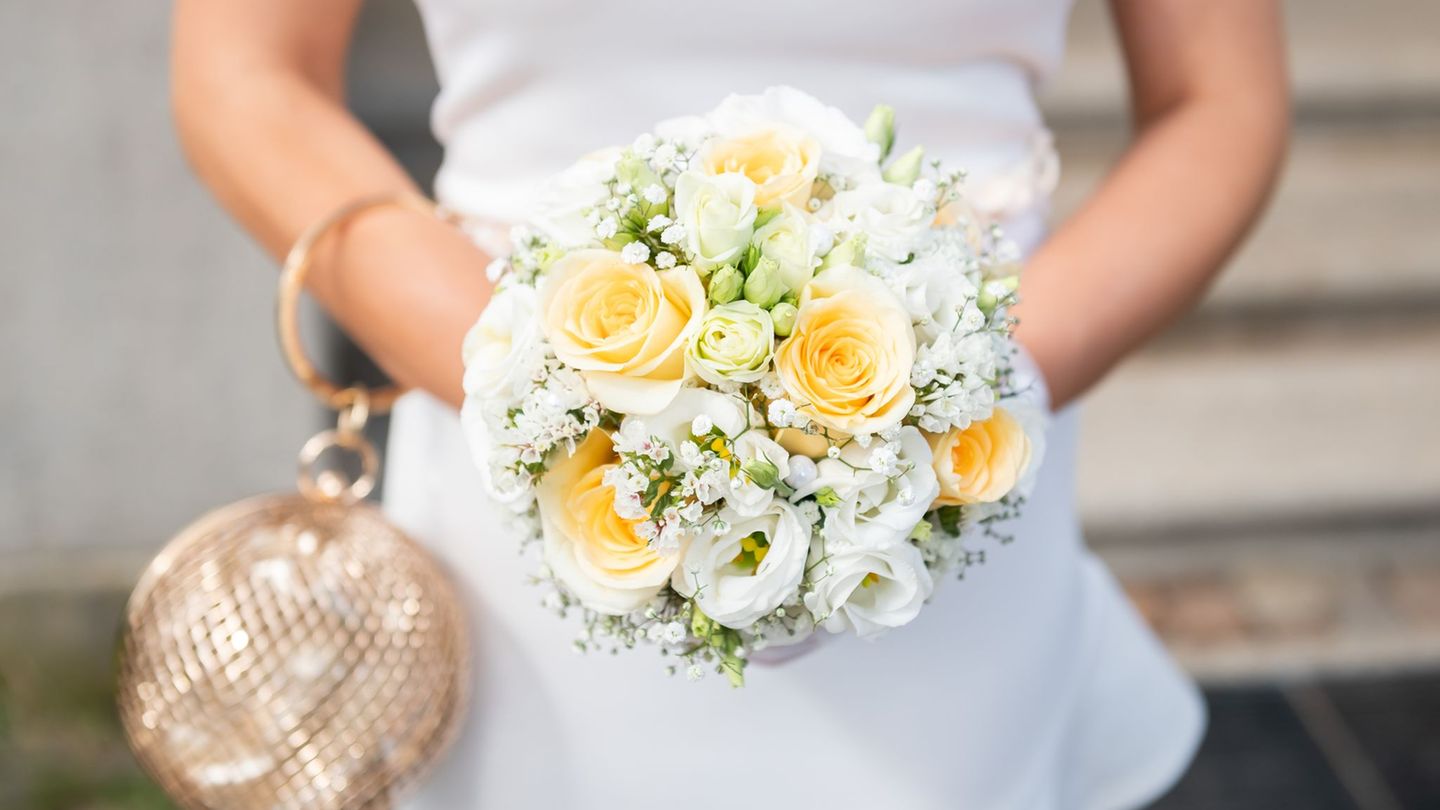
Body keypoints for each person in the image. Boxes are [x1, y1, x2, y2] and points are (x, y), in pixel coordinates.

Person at [171, 1, 1288, 807]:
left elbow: (1218, 97)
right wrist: (529, 385)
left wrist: (960, 388)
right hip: (534, 473)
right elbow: (245, 69)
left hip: (950, 486)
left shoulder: (956, 400)